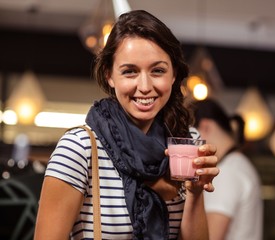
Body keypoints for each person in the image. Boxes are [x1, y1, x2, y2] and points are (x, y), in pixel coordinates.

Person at [34, 10, 219, 240]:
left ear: (174, 76)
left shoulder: (184, 142)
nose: (144, 86)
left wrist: (195, 191)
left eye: (158, 71)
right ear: (109, 75)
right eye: (130, 72)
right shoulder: (79, 149)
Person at [192, 98, 263, 240]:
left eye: (190, 134)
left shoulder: (226, 172)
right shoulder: (239, 165)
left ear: (205, 127)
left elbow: (210, 237)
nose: (190, 145)